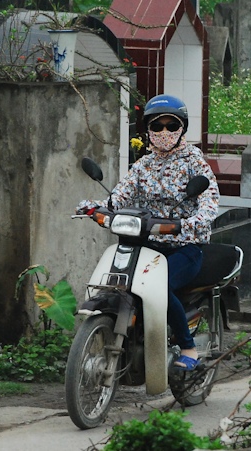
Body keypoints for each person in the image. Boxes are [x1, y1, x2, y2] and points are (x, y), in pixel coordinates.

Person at [77, 94, 220, 370]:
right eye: (157, 126)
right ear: (148, 131)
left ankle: (188, 348)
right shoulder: (143, 165)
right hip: (148, 244)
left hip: (184, 246)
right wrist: (95, 209)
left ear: (182, 129)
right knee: (120, 283)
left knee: (157, 289)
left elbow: (209, 200)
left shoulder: (194, 161)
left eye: (171, 126)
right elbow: (118, 198)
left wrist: (194, 221)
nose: (164, 132)